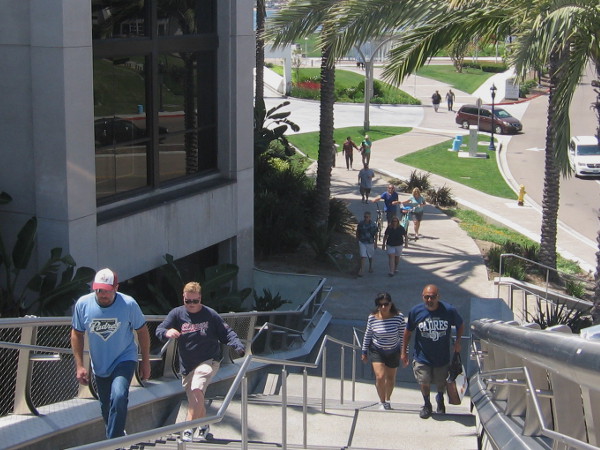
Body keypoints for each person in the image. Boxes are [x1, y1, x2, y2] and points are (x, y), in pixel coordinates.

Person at [156, 282, 245, 442]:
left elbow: (227, 333)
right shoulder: (177, 314)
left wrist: (238, 346)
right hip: (187, 365)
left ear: (200, 298)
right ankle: (204, 424)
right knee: (195, 399)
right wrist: (167, 332)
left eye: (195, 301)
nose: (191, 305)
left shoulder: (210, 315)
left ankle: (188, 429)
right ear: (183, 298)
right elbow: (159, 330)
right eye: (188, 301)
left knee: (197, 388)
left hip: (209, 361)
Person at [71, 268, 151, 439]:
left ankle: (113, 444)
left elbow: (142, 331)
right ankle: (117, 435)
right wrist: (79, 365)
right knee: (107, 406)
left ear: (116, 288)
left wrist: (145, 361)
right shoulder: (83, 304)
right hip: (100, 363)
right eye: (99, 290)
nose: (103, 295)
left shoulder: (128, 304)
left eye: (107, 291)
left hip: (125, 358)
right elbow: (76, 333)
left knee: (119, 394)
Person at [401, 284, 464, 420]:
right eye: (426, 297)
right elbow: (408, 332)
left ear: (438, 297)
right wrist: (404, 352)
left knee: (441, 383)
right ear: (422, 297)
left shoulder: (448, 310)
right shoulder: (416, 311)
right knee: (424, 381)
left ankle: (440, 398)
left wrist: (458, 342)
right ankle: (427, 404)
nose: (429, 300)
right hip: (422, 356)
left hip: (442, 356)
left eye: (433, 297)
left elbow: (460, 324)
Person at [361, 292, 406, 410]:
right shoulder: (372, 317)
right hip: (377, 350)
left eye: (386, 304)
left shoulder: (399, 317)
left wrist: (404, 353)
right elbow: (368, 335)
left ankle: (387, 399)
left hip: (393, 350)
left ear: (391, 304)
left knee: (390, 378)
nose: (383, 307)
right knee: (380, 376)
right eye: (380, 305)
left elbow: (403, 336)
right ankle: (381, 401)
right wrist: (364, 351)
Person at [356, 211, 378, 277]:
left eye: (367, 217)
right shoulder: (361, 224)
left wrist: (375, 243)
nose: (366, 218)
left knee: (370, 256)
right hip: (362, 241)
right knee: (363, 255)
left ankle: (370, 266)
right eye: (365, 217)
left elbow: (376, 234)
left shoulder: (373, 225)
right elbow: (358, 231)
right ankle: (361, 270)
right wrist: (357, 239)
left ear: (370, 217)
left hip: (370, 242)